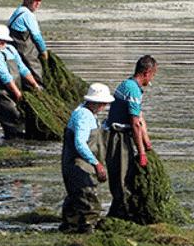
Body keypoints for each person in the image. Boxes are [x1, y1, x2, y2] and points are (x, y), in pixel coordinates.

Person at [104, 55, 157, 221]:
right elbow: (135, 124)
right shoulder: (133, 90)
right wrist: (141, 152)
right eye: (153, 75)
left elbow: (140, 119)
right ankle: (122, 217)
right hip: (117, 137)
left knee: (124, 177)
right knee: (122, 179)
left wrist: (148, 146)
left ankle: (118, 213)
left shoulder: (129, 85)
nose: (153, 79)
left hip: (121, 135)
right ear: (146, 73)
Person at [61, 83, 114, 234]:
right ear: (94, 102)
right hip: (79, 166)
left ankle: (69, 230)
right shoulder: (84, 116)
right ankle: (87, 233)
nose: (104, 106)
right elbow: (79, 143)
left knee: (75, 201)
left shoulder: (86, 113)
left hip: (76, 165)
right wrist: (96, 163)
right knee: (89, 202)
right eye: (103, 103)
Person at [0, 24, 41, 139]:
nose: (0, 42)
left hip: (11, 91)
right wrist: (18, 94)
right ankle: (12, 144)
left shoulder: (11, 49)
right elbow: (5, 77)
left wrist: (34, 84)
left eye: (2, 40)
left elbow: (22, 69)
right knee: (14, 118)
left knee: (22, 119)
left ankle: (15, 141)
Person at [7, 0, 47, 84]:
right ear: (27, 0)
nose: (38, 3)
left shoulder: (18, 10)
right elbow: (37, 37)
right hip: (24, 50)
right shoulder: (28, 15)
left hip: (14, 48)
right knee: (34, 66)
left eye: (40, 0)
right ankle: (38, 86)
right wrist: (44, 52)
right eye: (35, 0)